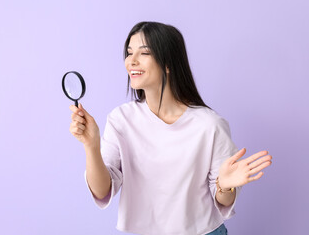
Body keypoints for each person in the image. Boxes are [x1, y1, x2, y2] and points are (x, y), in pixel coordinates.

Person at [69, 21, 273, 235]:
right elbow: (102, 191)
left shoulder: (209, 125)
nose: (132, 61)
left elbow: (223, 200)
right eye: (129, 53)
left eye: (144, 53)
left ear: (168, 63)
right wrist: (91, 146)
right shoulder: (121, 120)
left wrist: (224, 185)